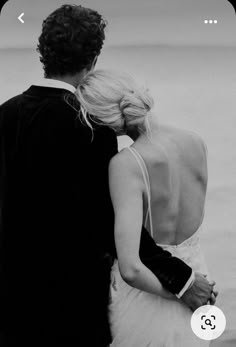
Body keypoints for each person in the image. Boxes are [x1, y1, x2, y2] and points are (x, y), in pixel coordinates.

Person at [0, 5, 215, 346]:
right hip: (73, 302)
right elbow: (109, 221)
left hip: (10, 299)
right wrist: (182, 279)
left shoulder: (5, 114)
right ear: (94, 58)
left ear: (43, 52)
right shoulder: (88, 128)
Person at [75, 69, 218, 346]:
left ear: (104, 120)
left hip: (153, 294)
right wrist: (193, 283)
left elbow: (131, 268)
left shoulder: (126, 164)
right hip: (202, 280)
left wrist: (183, 289)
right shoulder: (195, 142)